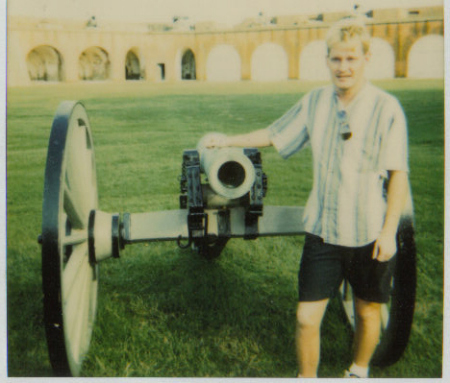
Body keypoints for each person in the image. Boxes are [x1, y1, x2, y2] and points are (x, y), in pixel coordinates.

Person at [204, 17, 409, 378]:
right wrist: (228, 141)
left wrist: (390, 231)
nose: (343, 67)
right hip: (323, 232)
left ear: (365, 59)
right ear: (327, 61)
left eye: (351, 59)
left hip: (369, 233)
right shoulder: (316, 101)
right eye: (336, 59)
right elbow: (275, 133)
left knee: (367, 312)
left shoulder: (386, 108)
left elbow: (398, 176)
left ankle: (358, 370)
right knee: (305, 317)